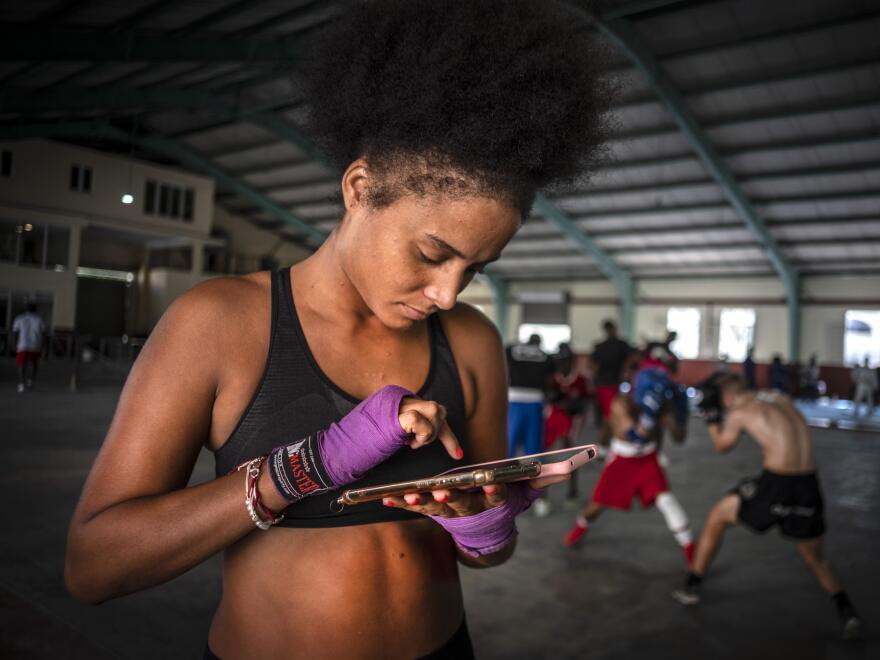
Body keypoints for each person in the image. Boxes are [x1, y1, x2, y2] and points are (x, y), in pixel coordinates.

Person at [63, 2, 612, 658]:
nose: (446, 293)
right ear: (359, 187)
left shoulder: (470, 342)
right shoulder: (220, 323)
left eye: (475, 268)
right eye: (433, 254)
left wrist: (483, 530)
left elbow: (486, 557)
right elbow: (94, 567)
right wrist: (304, 468)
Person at [672, 374, 863, 641]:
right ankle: (847, 611)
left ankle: (692, 586)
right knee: (814, 558)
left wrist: (712, 418)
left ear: (726, 397)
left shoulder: (739, 411)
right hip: (808, 484)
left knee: (717, 517)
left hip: (776, 484)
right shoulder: (778, 397)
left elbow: (722, 445)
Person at [562, 355, 695, 568]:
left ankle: (692, 553)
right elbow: (634, 434)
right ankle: (579, 528)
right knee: (596, 506)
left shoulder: (662, 400)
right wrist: (652, 414)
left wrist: (679, 412)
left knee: (667, 501)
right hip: (622, 459)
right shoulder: (622, 402)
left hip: (648, 459)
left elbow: (679, 439)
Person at [544, 343, 591, 502]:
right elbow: (548, 396)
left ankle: (573, 491)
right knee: (545, 451)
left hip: (573, 418)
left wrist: (573, 404)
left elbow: (587, 400)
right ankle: (542, 493)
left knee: (570, 451)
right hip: (556, 416)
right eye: (561, 361)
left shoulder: (580, 379)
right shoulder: (553, 378)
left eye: (566, 361)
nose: (563, 364)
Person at [506, 333, 555, 458]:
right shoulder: (545, 356)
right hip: (535, 399)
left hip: (513, 399)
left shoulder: (511, 351)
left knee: (510, 439)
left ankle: (504, 470)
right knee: (533, 442)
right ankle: (534, 471)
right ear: (539, 343)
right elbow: (549, 380)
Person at [591, 319, 633, 442]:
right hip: (609, 384)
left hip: (606, 384)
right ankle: (604, 444)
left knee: (611, 415)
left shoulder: (600, 346)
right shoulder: (621, 345)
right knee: (609, 416)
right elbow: (629, 363)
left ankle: (608, 443)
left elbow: (593, 367)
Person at [12, 302, 46, 393]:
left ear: (26, 309)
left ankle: (21, 384)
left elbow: (15, 333)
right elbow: (44, 334)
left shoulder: (19, 318)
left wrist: (14, 344)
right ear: (35, 309)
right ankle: (31, 381)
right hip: (35, 345)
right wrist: (43, 346)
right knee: (34, 365)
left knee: (21, 365)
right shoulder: (39, 319)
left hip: (22, 345)